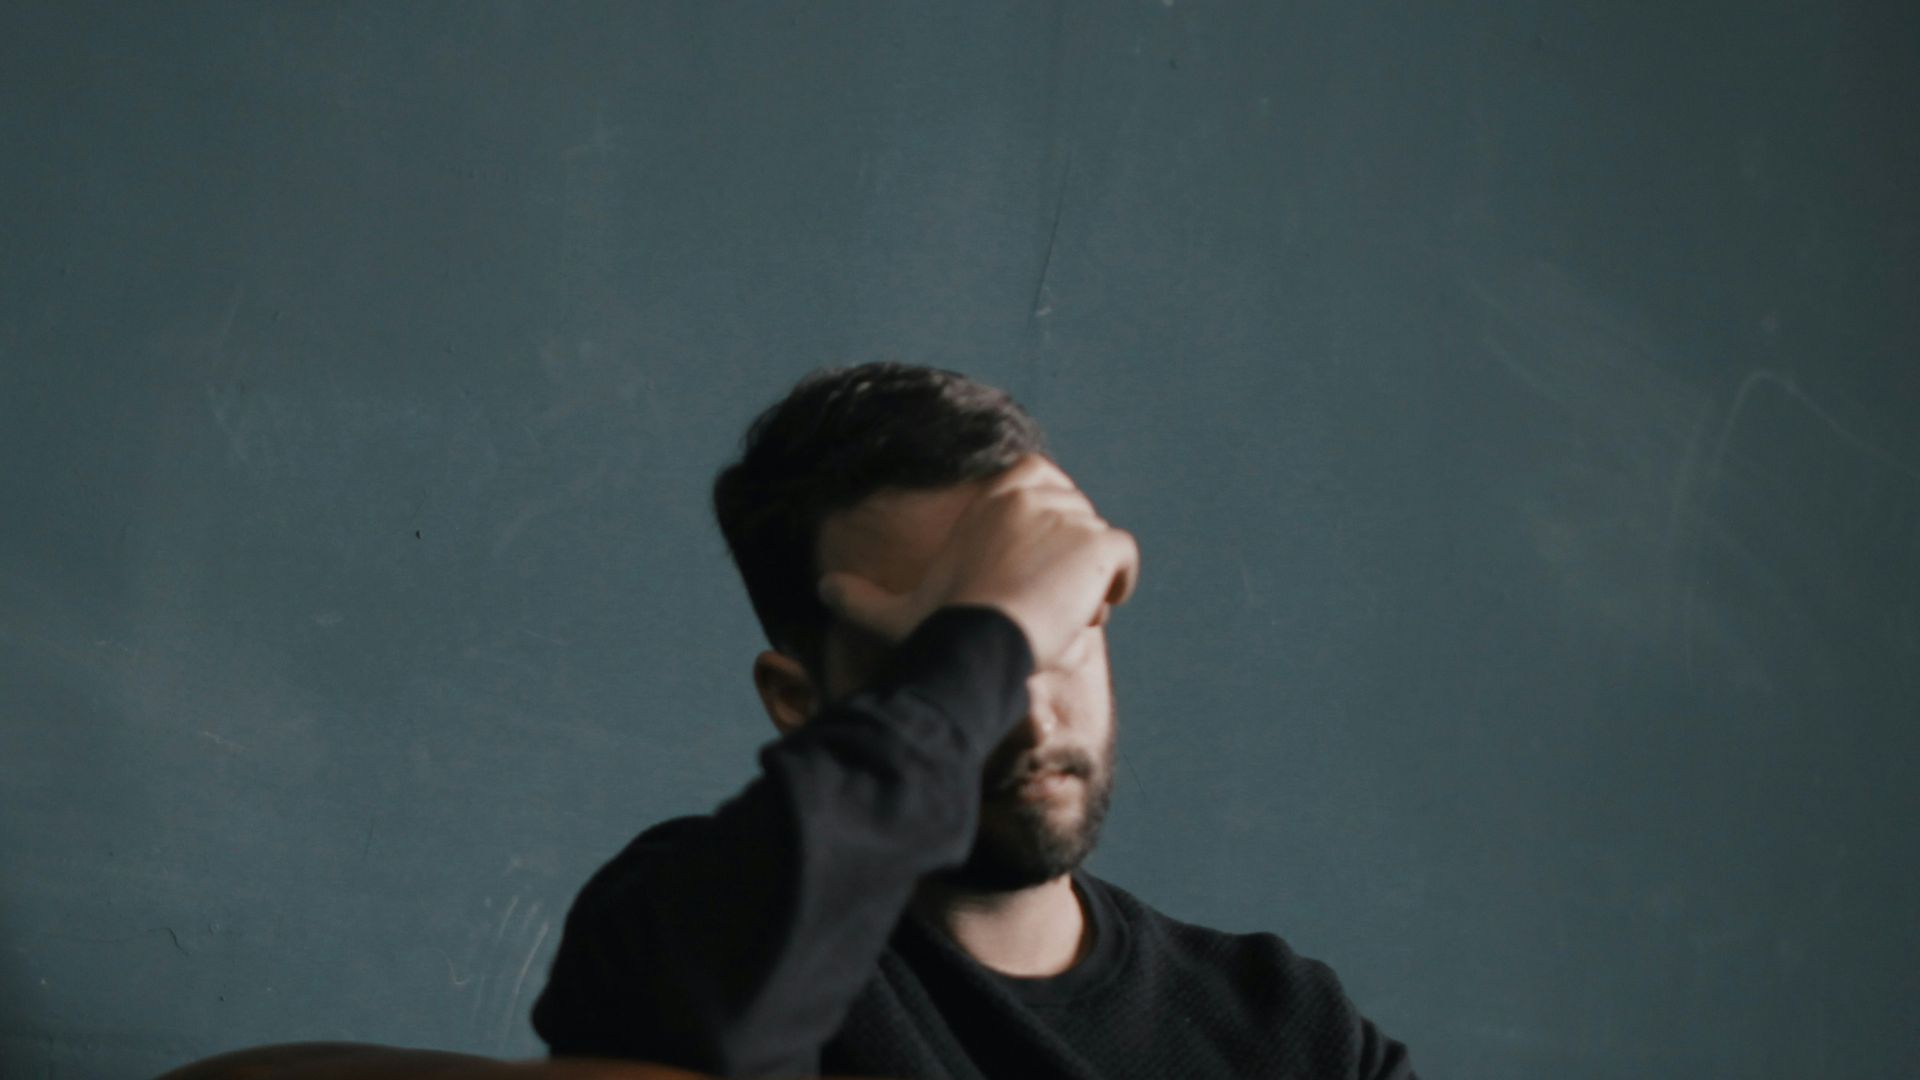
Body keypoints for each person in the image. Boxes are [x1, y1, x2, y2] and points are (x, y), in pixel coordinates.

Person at [531, 363, 1416, 1079]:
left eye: (1063, 631)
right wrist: (1001, 624)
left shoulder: (1289, 1029)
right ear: (798, 703)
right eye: (959, 657)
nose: (1029, 715)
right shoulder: (700, 926)